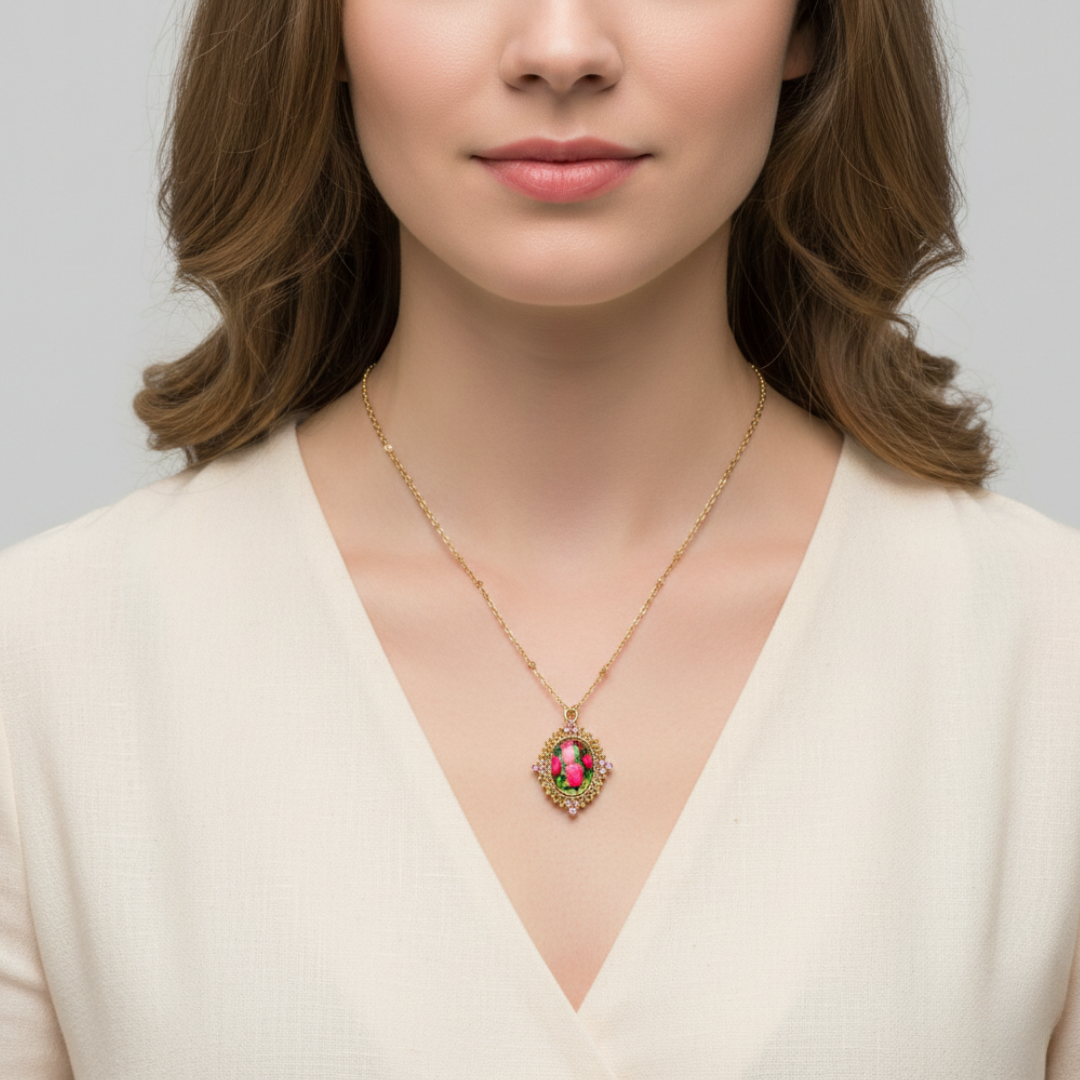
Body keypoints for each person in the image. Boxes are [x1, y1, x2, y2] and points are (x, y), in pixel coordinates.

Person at [1, 0, 1078, 1074]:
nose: (562, 50)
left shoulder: (1042, 659)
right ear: (316, 25)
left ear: (813, 26)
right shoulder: (46, 670)